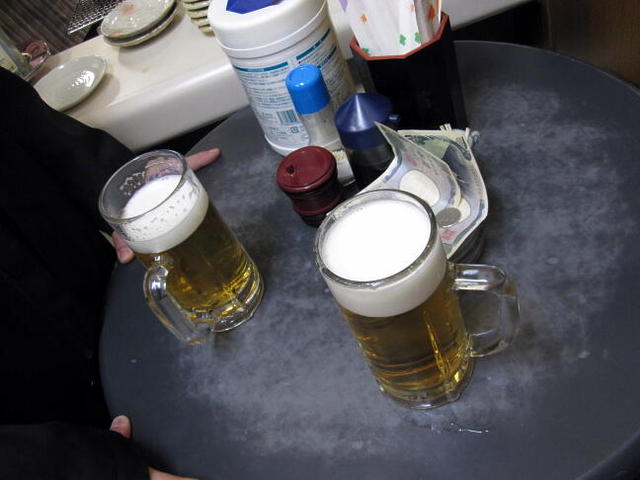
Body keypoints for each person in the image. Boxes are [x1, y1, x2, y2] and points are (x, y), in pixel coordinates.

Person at [0, 66, 217, 478]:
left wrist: (126, 189)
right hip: (44, 440)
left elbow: (16, 114)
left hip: (109, 301)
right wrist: (90, 469)